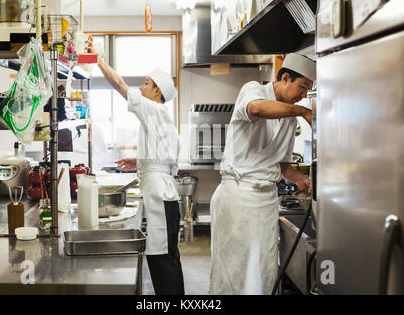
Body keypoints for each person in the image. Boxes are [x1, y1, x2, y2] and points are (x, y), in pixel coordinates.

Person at [209, 53, 315, 295]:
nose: (304, 95)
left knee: (261, 275)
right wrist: (300, 110)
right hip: (237, 197)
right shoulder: (253, 90)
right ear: (285, 78)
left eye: (308, 90)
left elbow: (282, 165)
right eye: (302, 87)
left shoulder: (289, 119)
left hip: (266, 203)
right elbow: (256, 108)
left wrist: (300, 179)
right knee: (233, 275)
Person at [85, 37, 184, 295]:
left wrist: (98, 60)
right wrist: (136, 161)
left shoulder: (154, 109)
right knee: (166, 256)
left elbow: (118, 84)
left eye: (146, 83)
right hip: (164, 195)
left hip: (161, 198)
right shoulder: (161, 117)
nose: (141, 87)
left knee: (162, 258)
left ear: (157, 93)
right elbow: (163, 157)